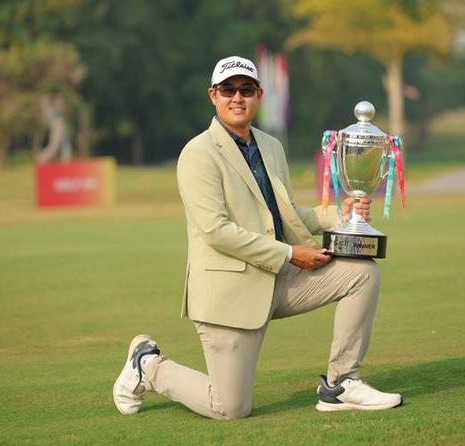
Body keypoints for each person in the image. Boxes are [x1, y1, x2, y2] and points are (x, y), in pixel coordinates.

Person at [113, 56, 402, 419]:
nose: (238, 97)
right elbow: (216, 231)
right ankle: (148, 366)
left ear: (259, 95)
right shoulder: (197, 154)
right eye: (228, 89)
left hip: (279, 279)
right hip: (229, 292)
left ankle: (341, 384)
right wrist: (289, 254)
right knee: (230, 407)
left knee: (362, 273)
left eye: (246, 89)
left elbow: (285, 212)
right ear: (213, 96)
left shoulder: (271, 146)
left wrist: (339, 215)